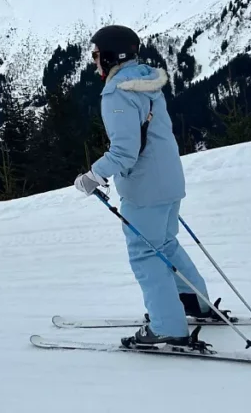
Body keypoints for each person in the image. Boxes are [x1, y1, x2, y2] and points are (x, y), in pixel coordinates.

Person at [73, 24, 216, 347]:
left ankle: (168, 326)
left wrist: (92, 177)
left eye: (97, 55)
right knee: (164, 245)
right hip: (169, 180)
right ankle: (193, 302)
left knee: (146, 254)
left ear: (110, 56)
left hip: (145, 189)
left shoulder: (117, 93)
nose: (94, 62)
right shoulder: (146, 82)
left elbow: (124, 151)